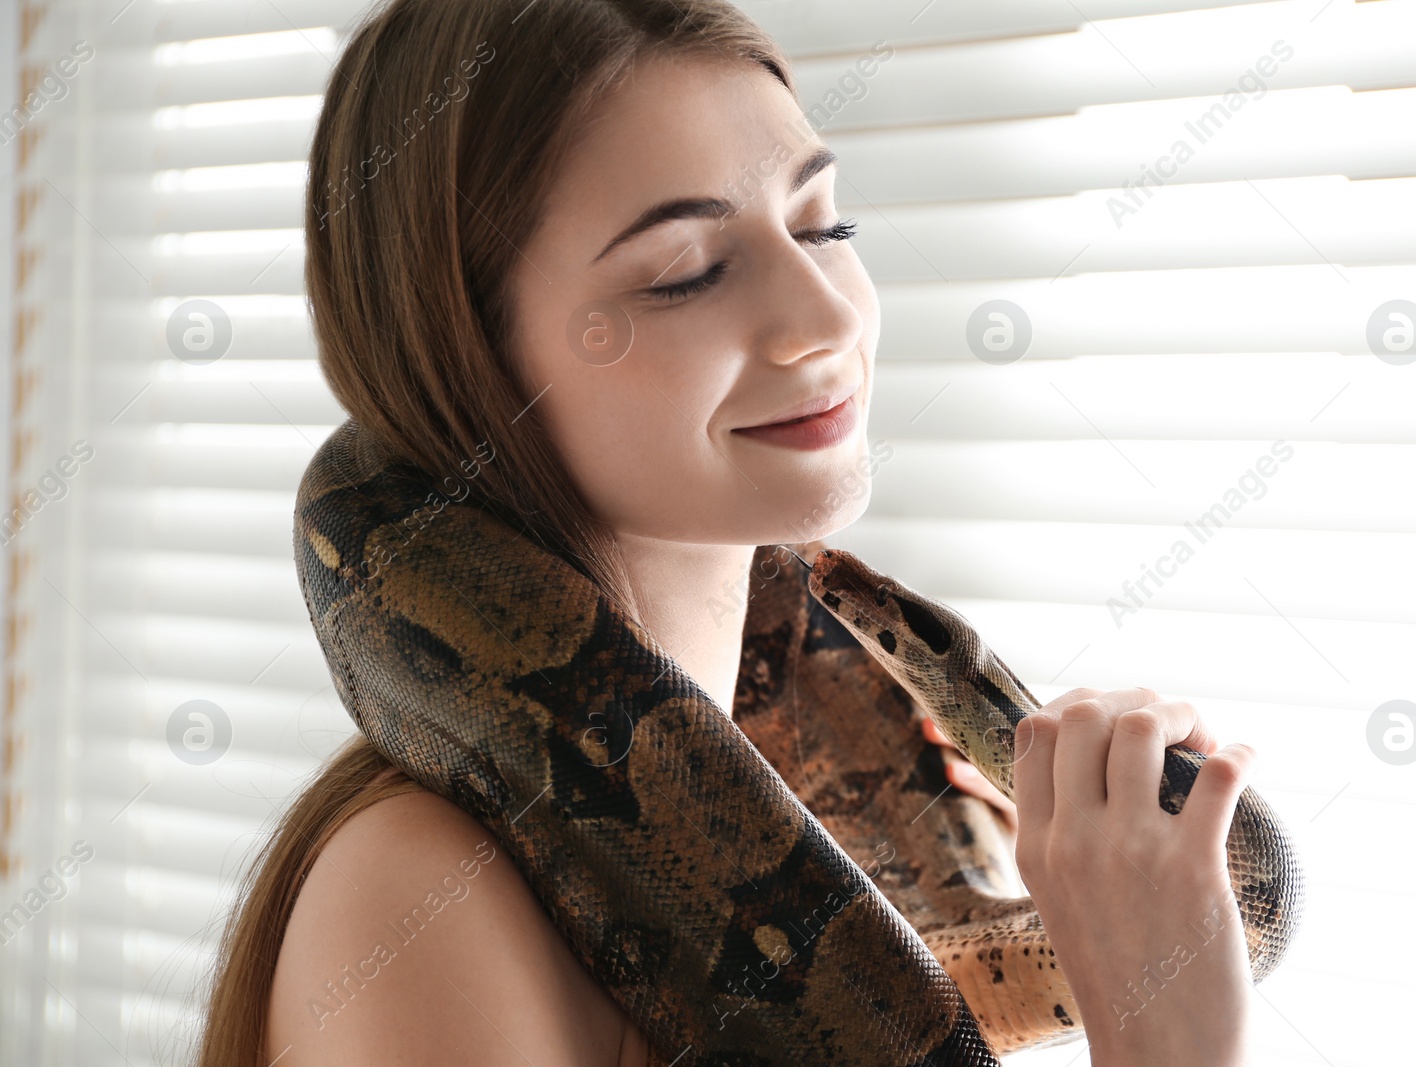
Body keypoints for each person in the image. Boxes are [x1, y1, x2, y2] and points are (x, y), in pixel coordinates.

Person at [197, 2, 1259, 1064]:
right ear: (464, 359)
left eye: (821, 227)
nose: (829, 318)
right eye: (686, 272)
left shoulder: (790, 824)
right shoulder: (424, 897)